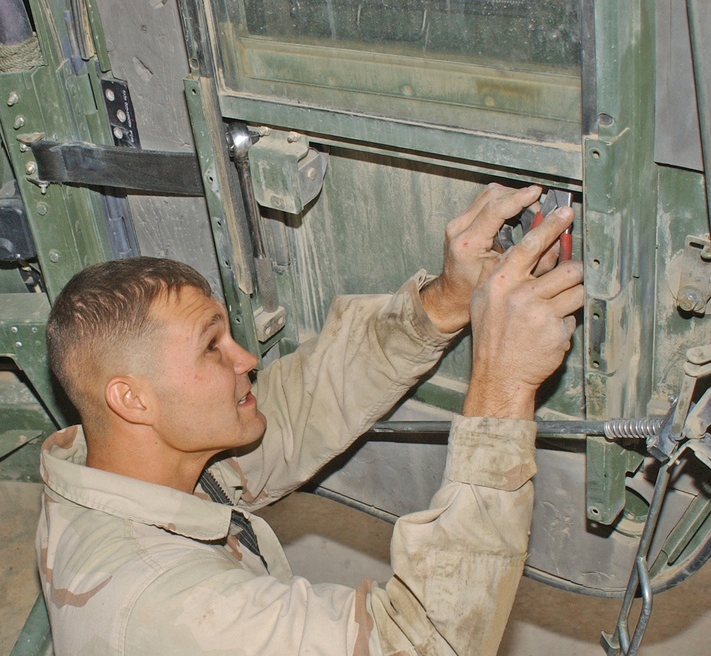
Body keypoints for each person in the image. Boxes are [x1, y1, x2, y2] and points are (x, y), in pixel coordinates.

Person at [36, 183, 584, 655]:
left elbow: (306, 401)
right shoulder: (167, 603)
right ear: (131, 399)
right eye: (211, 346)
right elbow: (422, 643)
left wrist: (446, 299)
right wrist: (502, 385)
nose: (246, 358)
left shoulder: (119, 462)